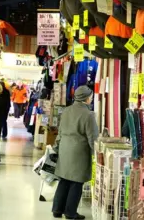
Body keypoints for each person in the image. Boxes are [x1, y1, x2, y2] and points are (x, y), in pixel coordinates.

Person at [52, 86, 99, 219]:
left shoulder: (66, 110)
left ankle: (57, 209)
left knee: (64, 179)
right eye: (91, 96)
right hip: (79, 150)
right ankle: (70, 212)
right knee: (76, 182)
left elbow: (60, 131)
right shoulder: (88, 114)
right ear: (87, 98)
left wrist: (56, 147)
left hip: (65, 148)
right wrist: (96, 153)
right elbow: (93, 137)